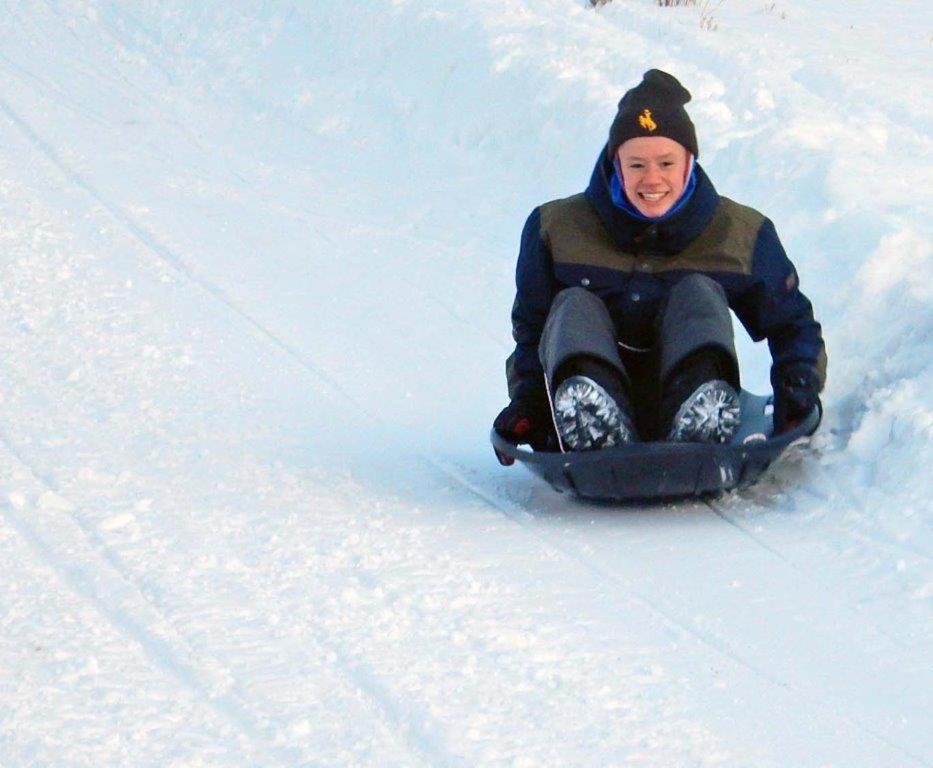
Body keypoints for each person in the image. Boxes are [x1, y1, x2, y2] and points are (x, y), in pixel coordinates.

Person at [493, 69, 826, 465]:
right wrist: (528, 402)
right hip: (590, 393)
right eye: (636, 165)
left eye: (666, 162)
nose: (652, 179)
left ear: (689, 162)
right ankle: (591, 418)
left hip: (693, 387)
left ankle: (701, 412)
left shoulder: (740, 234)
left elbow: (792, 323)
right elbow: (533, 328)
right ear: (615, 163)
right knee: (573, 303)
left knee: (698, 292)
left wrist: (797, 388)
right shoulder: (556, 228)